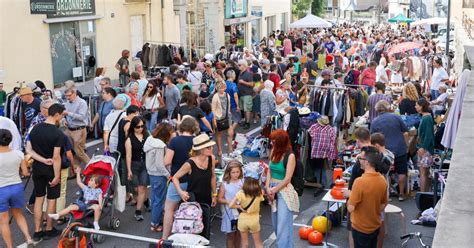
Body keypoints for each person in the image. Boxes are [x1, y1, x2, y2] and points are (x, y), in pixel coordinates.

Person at [26, 103, 65, 241]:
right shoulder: (58, 133)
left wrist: (42, 160)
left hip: (37, 168)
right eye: (61, 115)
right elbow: (56, 157)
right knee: (51, 199)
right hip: (51, 170)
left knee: (38, 199)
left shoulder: (35, 129)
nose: (61, 118)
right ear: (56, 115)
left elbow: (29, 150)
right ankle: (49, 228)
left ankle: (37, 231)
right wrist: (57, 175)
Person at [162, 118, 198, 239]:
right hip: (194, 180)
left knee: (169, 210)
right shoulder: (197, 141)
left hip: (178, 180)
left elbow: (166, 161)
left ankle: (165, 238)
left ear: (181, 127)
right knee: (193, 209)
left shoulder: (175, 141)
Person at [347, 146, 388, 248]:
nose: (359, 160)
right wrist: (372, 211)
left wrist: (351, 195)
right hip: (375, 226)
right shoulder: (382, 180)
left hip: (360, 228)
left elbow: (350, 208)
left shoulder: (359, 182)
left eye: (360, 158)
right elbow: (384, 203)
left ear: (367, 162)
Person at [265, 130, 299, 248]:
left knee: (283, 225)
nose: (272, 143)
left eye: (274, 141)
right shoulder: (274, 151)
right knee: (275, 224)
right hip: (272, 189)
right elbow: (269, 169)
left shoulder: (290, 156)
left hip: (284, 191)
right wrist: (267, 186)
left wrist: (273, 190)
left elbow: (287, 179)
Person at [0, 129, 33, 247]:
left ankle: (10, 246)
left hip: (1, 189)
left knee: (3, 221)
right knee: (18, 214)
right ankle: (28, 237)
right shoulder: (18, 154)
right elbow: (25, 173)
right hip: (16, 186)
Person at [371, 100, 409, 201]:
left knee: (385, 172)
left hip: (385, 150)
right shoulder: (396, 117)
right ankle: (401, 194)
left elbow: (373, 138)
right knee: (402, 171)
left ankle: (387, 194)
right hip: (400, 148)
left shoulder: (375, 121)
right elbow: (405, 130)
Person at [143, 123, 174, 232]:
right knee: (159, 200)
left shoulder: (150, 140)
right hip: (160, 175)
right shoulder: (160, 145)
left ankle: (154, 221)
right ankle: (155, 224)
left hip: (152, 174)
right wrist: (168, 176)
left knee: (155, 198)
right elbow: (160, 165)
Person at [229, 174, 264, 248]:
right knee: (258, 243)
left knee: (245, 243)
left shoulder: (240, 193)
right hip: (254, 219)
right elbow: (262, 197)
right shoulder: (259, 193)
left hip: (243, 220)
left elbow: (231, 205)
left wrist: (239, 206)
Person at [125, 116, 149, 221]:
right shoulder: (129, 139)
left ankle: (138, 211)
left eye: (142, 126)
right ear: (133, 127)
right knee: (135, 189)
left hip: (145, 165)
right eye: (137, 127)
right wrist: (129, 170)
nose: (140, 129)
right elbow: (128, 155)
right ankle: (146, 200)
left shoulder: (147, 135)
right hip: (134, 165)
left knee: (142, 188)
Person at [218, 161, 243, 248]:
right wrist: (228, 201)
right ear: (229, 172)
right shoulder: (225, 184)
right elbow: (220, 199)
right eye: (233, 172)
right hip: (229, 212)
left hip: (240, 210)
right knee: (230, 235)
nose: (236, 174)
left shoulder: (242, 182)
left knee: (239, 233)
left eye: (237, 172)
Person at [63, 88, 90, 169]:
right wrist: (64, 119)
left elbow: (82, 117)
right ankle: (75, 171)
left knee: (79, 152)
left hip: (79, 129)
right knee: (71, 151)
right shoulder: (68, 102)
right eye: (66, 96)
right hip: (69, 129)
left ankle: (92, 167)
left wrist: (68, 113)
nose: (67, 98)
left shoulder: (82, 103)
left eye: (69, 95)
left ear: (75, 93)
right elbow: (65, 115)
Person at [415, 98, 435, 192]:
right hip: (425, 148)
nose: (415, 106)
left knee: (423, 172)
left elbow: (428, 135)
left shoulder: (426, 118)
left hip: (425, 149)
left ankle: (422, 193)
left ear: (421, 106)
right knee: (425, 173)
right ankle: (425, 192)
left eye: (417, 105)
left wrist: (423, 147)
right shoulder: (427, 117)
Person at [212, 82, 232, 156]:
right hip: (218, 117)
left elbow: (229, 104)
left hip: (227, 116)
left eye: (222, 88)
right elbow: (213, 109)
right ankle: (220, 150)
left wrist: (229, 111)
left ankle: (230, 148)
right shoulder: (215, 96)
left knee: (230, 133)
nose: (221, 89)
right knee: (218, 134)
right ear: (217, 88)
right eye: (219, 88)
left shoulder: (227, 95)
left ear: (225, 88)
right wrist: (214, 120)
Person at [237, 60, 255, 129]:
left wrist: (243, 82)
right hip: (241, 94)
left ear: (244, 65)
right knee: (244, 109)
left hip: (247, 94)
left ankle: (248, 123)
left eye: (239, 65)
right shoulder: (240, 73)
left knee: (247, 109)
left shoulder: (248, 73)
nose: (238, 66)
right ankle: (245, 121)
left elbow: (252, 84)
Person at [225, 70, 241, 137]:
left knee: (229, 119)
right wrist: (238, 105)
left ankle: (231, 132)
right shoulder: (233, 84)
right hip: (233, 104)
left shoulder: (224, 83)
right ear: (232, 75)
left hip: (226, 103)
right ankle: (230, 132)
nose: (235, 76)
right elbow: (235, 96)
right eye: (234, 74)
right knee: (237, 119)